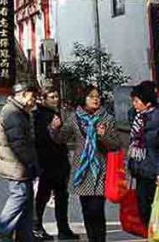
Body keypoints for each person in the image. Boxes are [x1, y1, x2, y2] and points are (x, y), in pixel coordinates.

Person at [50, 85, 120, 242]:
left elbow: (115, 145)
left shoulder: (107, 119)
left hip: (100, 169)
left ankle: (99, 239)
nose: (96, 99)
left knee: (97, 210)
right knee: (87, 210)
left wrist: (103, 136)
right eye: (91, 96)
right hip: (82, 170)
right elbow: (61, 138)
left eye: (97, 96)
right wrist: (54, 129)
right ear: (84, 99)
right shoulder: (75, 118)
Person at [0, 81, 38, 242]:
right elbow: (18, 143)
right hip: (17, 165)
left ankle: (25, 235)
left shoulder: (19, 110)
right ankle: (1, 230)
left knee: (27, 200)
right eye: (33, 96)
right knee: (20, 196)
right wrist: (30, 162)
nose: (34, 100)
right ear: (23, 94)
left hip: (20, 164)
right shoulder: (12, 113)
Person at [33, 84, 79, 240]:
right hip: (47, 162)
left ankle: (63, 229)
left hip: (59, 161)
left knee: (61, 197)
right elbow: (41, 139)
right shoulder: (40, 116)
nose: (56, 100)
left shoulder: (55, 113)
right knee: (43, 196)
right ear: (43, 99)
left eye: (57, 96)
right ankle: (37, 226)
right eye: (52, 97)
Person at [127, 80, 159, 227]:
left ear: (147, 103)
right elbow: (134, 144)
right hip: (142, 172)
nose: (134, 104)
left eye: (136, 101)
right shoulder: (137, 117)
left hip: (157, 174)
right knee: (144, 211)